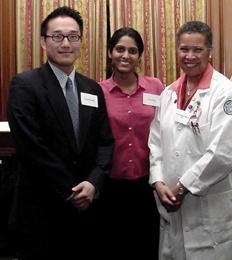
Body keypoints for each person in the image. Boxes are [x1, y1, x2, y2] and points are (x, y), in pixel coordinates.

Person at [7, 6, 113, 260]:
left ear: (81, 41)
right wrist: (72, 190)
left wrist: (93, 184)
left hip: (87, 209)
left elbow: (105, 142)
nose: (66, 43)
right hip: (42, 210)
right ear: (44, 41)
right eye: (57, 36)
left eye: (73, 36)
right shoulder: (25, 85)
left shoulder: (92, 88)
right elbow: (31, 147)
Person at [148, 20, 232, 260]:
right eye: (184, 49)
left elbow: (222, 154)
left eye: (198, 49)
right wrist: (158, 181)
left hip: (212, 210)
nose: (190, 56)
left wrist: (182, 188)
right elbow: (155, 143)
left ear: (210, 51)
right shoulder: (168, 94)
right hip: (171, 204)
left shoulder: (225, 93)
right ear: (176, 51)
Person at [99, 27, 163, 260]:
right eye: (120, 49)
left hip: (148, 184)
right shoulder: (98, 91)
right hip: (110, 186)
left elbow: (165, 131)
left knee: (147, 246)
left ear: (139, 56)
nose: (125, 55)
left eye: (132, 51)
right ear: (110, 53)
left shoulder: (156, 87)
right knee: (114, 246)